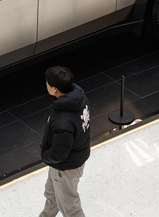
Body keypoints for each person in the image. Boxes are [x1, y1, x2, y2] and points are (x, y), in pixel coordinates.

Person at [40, 66, 90, 217]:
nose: (46, 84)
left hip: (65, 168)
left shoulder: (63, 121)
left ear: (55, 89)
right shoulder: (79, 98)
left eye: (47, 83)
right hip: (73, 159)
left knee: (71, 209)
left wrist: (45, 155)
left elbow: (59, 153)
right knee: (52, 194)